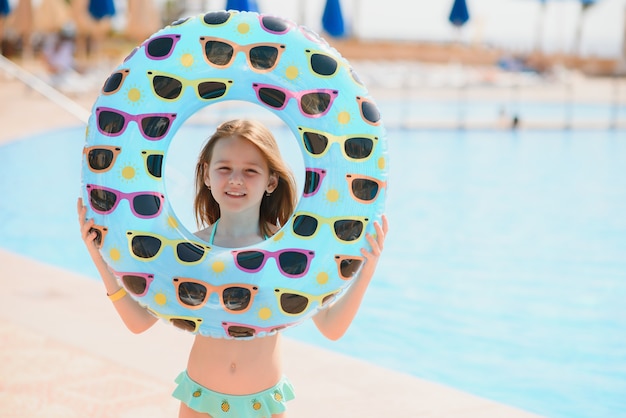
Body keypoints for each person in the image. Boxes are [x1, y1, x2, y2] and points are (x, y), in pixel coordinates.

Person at [77, 119, 388, 417]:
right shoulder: (187, 250)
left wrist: (367, 269)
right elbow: (139, 322)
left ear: (271, 180)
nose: (236, 179)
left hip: (263, 405)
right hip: (201, 401)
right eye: (224, 168)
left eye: (250, 170)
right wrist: (99, 259)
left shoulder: (291, 254)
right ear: (207, 175)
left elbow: (331, 328)